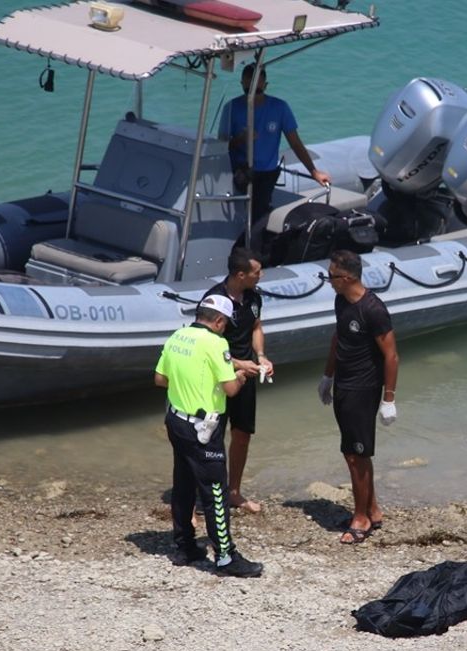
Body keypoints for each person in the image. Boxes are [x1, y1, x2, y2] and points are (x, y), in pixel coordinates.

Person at [153, 294, 264, 578]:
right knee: (216, 490)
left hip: (176, 420)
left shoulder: (178, 336)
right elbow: (229, 390)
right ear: (218, 321)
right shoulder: (216, 343)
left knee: (183, 482)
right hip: (203, 428)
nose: (225, 328)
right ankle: (226, 557)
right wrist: (240, 376)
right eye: (225, 323)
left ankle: (185, 546)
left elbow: (160, 379)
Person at [317, 249, 398, 544]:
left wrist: (388, 399)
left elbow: (391, 356)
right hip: (344, 386)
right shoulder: (341, 301)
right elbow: (338, 337)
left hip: (364, 389)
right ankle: (372, 510)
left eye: (332, 276)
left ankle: (361, 518)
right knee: (352, 452)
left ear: (347, 277)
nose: (329, 281)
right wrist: (328, 375)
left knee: (357, 455)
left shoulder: (373, 309)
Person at [219, 63, 332, 226]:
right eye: (248, 86)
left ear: (265, 85)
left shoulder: (279, 108)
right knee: (247, 205)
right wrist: (241, 139)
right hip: (239, 169)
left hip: (267, 172)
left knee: (259, 210)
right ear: (242, 83)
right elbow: (221, 146)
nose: (253, 93)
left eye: (257, 87)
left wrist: (313, 172)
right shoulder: (231, 108)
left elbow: (295, 143)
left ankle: (256, 239)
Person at [205, 246, 272, 514]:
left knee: (242, 433)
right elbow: (206, 348)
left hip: (246, 375)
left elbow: (256, 327)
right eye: (257, 272)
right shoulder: (214, 300)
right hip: (218, 378)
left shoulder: (253, 297)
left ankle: (234, 491)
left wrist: (261, 356)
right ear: (240, 274)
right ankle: (211, 493)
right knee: (212, 436)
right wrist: (237, 363)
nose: (261, 275)